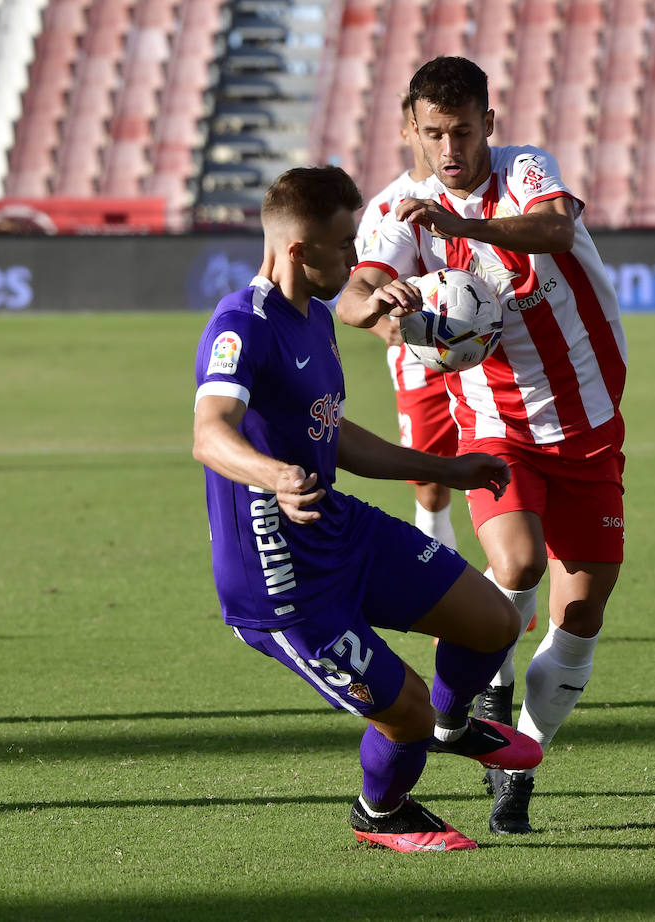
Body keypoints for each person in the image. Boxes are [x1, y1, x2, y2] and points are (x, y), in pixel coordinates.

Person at [192, 165, 542, 853]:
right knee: (402, 714)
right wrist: (276, 477)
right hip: (278, 578)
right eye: (345, 244)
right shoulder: (242, 324)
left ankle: (452, 726)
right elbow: (209, 432)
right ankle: (380, 812)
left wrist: (445, 468)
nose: (356, 260)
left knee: (494, 622)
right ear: (299, 251)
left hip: (339, 528)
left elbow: (336, 433)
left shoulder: (316, 318)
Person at [337, 56, 628, 835]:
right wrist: (380, 305)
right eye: (433, 133)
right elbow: (353, 295)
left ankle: (522, 761)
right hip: (495, 418)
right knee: (518, 564)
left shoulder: (526, 170)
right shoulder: (399, 207)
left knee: (582, 617)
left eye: (462, 131)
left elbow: (556, 228)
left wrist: (466, 228)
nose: (449, 147)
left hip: (592, 420)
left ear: (488, 127)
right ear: (411, 129)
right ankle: (483, 698)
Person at [352, 95, 461, 551]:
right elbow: (361, 289)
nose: (434, 140)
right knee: (428, 474)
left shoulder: (470, 194)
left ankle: (514, 584)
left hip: (487, 349)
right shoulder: (383, 208)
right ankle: (447, 585)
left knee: (506, 462)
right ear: (408, 132)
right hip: (419, 360)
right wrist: (381, 327)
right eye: (424, 130)